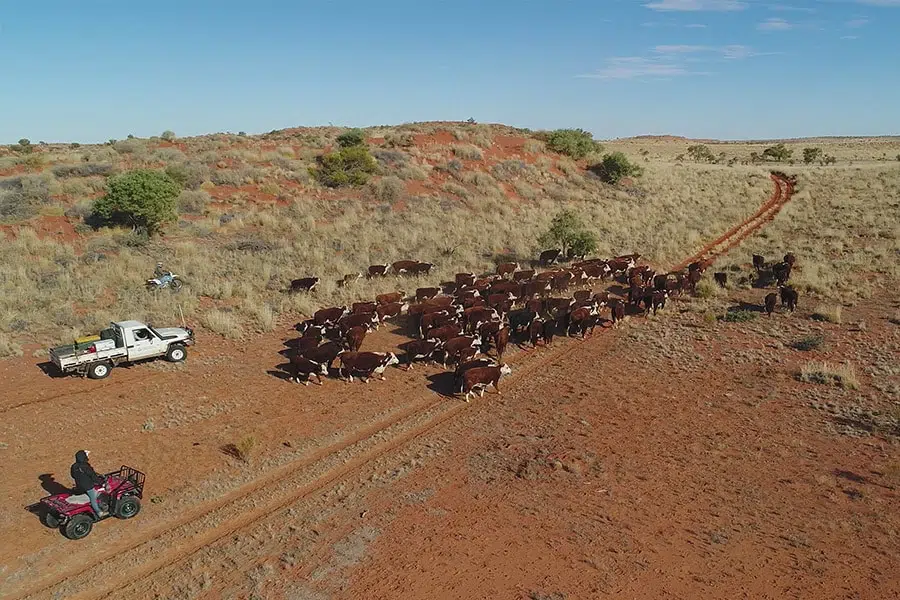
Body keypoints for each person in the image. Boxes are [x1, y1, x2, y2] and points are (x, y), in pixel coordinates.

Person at [70, 450, 105, 518]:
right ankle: (99, 512)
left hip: (79, 485)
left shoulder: (74, 466)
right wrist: (101, 482)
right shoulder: (86, 466)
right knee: (93, 498)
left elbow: (73, 475)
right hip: (88, 486)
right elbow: (93, 476)